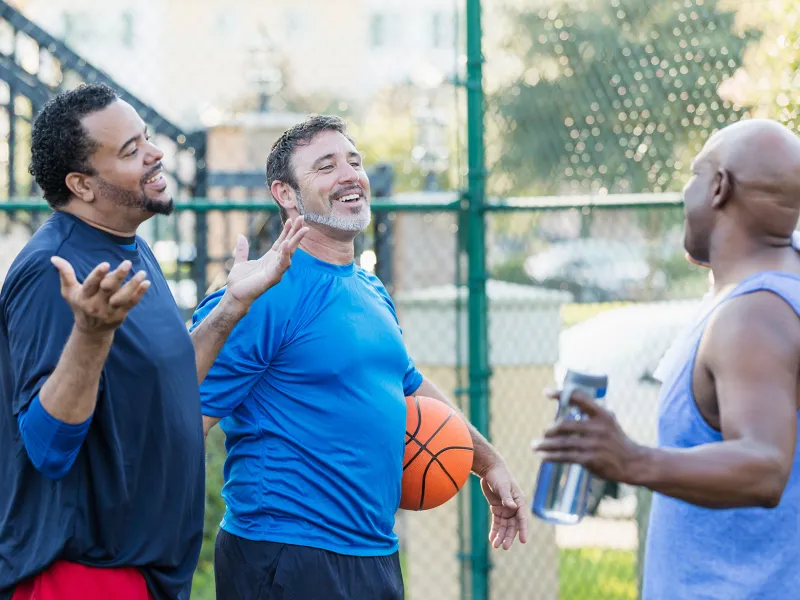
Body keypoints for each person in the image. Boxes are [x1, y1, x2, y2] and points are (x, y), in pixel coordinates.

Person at [194, 115, 529, 600]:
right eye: (326, 166)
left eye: (354, 161)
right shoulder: (262, 294)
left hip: (373, 554)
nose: (350, 174)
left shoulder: (369, 288)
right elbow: (184, 414)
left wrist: (489, 462)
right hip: (284, 555)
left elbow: (408, 386)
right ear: (286, 194)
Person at [0, 83, 307, 600]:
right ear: (83, 184)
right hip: (83, 576)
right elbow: (48, 446)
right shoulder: (53, 270)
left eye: (145, 137)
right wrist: (91, 334)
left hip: (145, 571)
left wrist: (232, 306)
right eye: (130, 150)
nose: (155, 153)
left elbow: (170, 385)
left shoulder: (132, 249)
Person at [534, 118, 800, 599]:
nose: (686, 192)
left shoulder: (754, 314)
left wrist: (632, 460)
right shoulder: (767, 292)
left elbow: (764, 466)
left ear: (719, 187)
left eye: (695, 174)